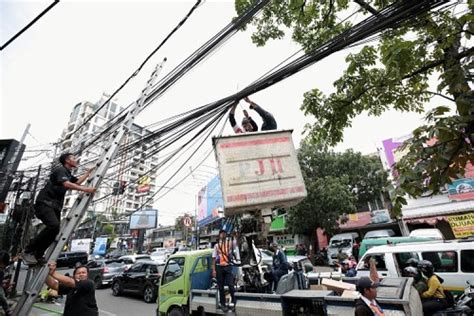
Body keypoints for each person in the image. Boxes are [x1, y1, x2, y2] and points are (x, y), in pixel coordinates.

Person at [21, 153, 96, 265]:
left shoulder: (68, 173)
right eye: (73, 158)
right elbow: (66, 184)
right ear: (67, 161)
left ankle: (38, 254)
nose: (76, 160)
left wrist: (88, 173)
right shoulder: (61, 170)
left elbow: (77, 182)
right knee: (54, 225)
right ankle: (28, 251)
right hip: (45, 203)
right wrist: (85, 189)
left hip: (55, 206)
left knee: (55, 231)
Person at [212, 229, 235, 312]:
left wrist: (235, 235)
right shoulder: (216, 246)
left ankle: (234, 302)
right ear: (219, 235)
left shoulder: (229, 243)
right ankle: (223, 305)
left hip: (228, 266)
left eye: (224, 233)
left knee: (231, 285)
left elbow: (237, 243)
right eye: (221, 234)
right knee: (220, 287)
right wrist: (214, 270)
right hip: (219, 267)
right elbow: (214, 258)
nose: (223, 235)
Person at [0, 251, 12, 316]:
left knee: (2, 297)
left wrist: (4, 282)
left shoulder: (3, 270)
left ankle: (7, 310)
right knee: (1, 296)